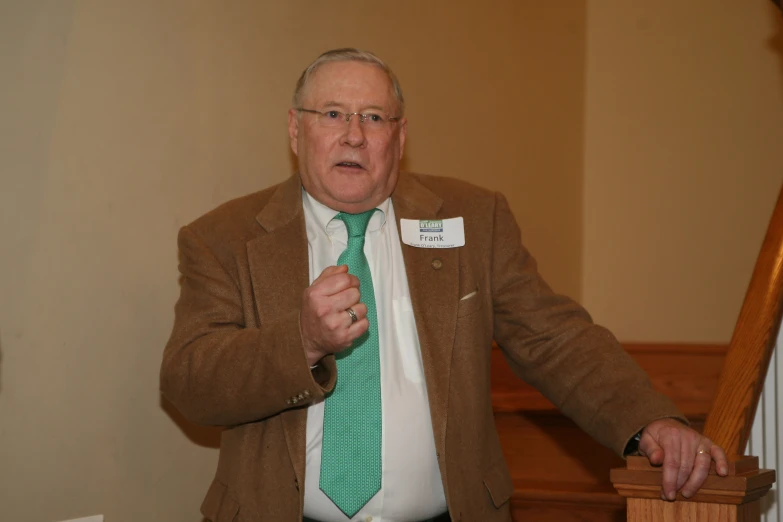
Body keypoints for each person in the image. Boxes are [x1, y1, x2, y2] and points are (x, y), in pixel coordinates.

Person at [160, 48, 728, 522]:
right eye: (332, 114)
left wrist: (649, 418)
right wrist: (301, 342)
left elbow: (554, 339)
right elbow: (189, 382)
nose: (354, 136)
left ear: (400, 137)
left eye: (374, 117)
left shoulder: (472, 220)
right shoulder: (224, 238)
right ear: (295, 128)